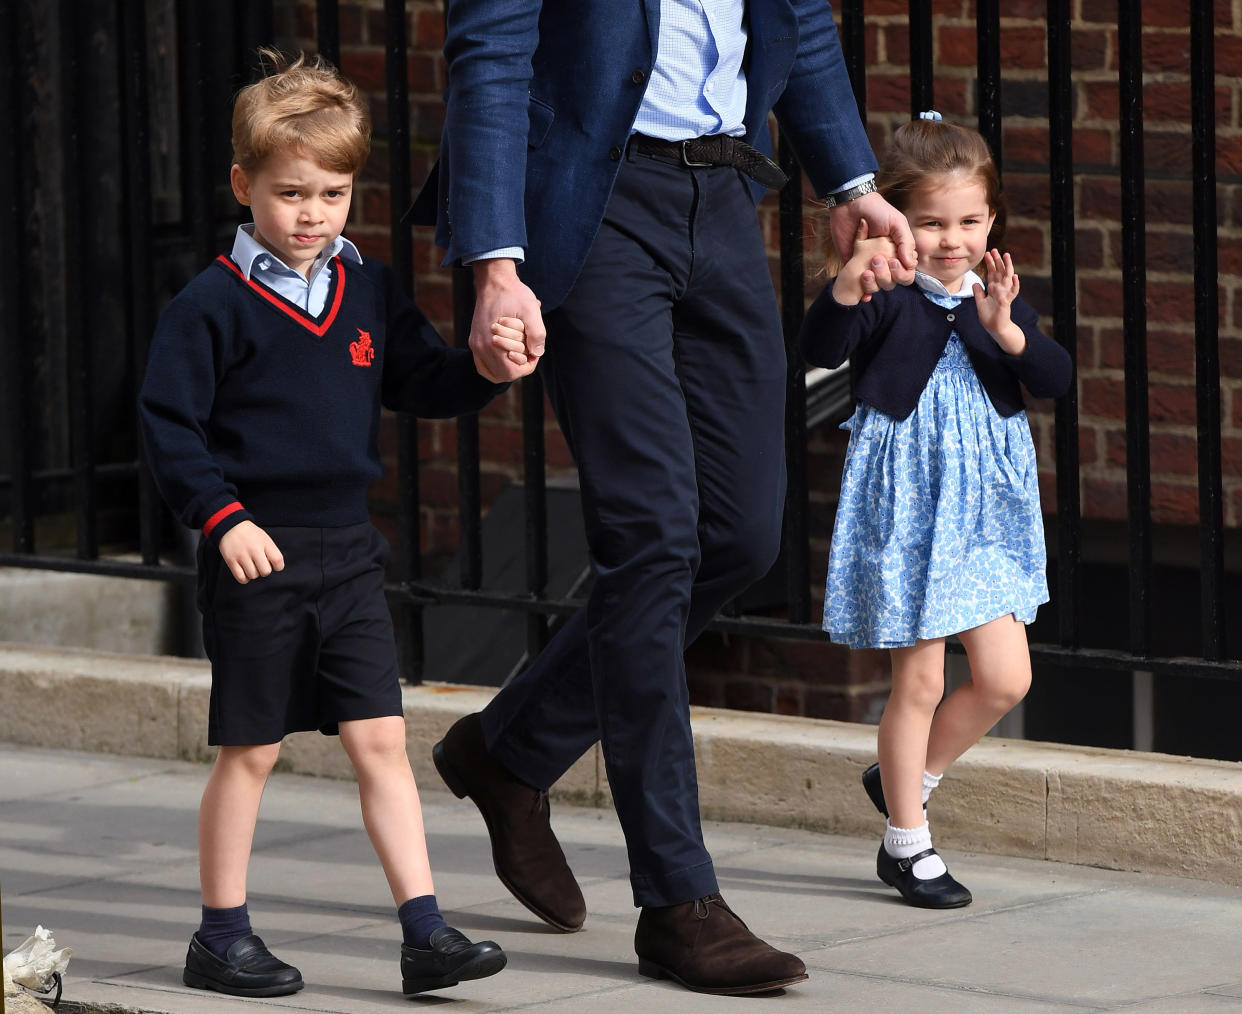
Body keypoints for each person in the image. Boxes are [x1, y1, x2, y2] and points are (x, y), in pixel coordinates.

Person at [407, 1, 916, 995]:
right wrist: (497, 267)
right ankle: (679, 900)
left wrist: (850, 178)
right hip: (592, 208)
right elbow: (494, 51)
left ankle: (508, 751)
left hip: (723, 198)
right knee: (651, 540)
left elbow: (801, 22)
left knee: (738, 533)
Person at [137, 49, 532, 999]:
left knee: (382, 740)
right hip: (256, 552)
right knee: (254, 750)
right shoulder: (209, 307)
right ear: (243, 186)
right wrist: (221, 519)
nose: (312, 214)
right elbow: (168, 425)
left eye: (335, 193)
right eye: (290, 193)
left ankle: (426, 931)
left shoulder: (368, 288)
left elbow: (421, 382)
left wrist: (486, 369)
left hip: (350, 553)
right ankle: (219, 936)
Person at [799, 112, 1073, 910]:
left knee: (1004, 676)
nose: (952, 240)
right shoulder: (886, 295)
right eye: (931, 222)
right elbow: (818, 349)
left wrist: (1011, 336)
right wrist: (848, 285)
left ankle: (901, 780)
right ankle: (907, 845)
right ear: (897, 220)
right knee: (916, 682)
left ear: (991, 219)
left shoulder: (999, 297)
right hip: (911, 502)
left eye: (970, 220)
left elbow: (1053, 378)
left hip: (987, 509)